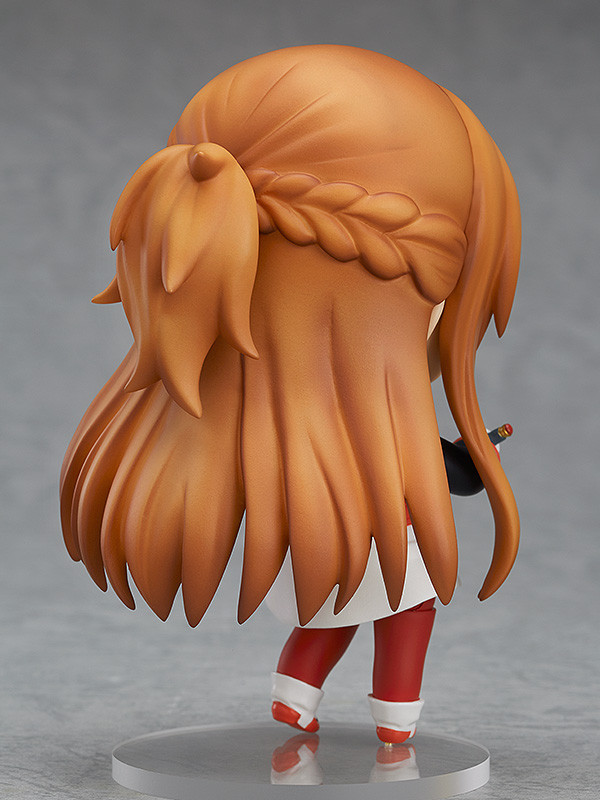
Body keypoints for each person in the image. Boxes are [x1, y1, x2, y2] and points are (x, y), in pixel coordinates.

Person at [60, 45, 520, 743]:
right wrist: (480, 456)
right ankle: (396, 716)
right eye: (444, 298)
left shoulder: (261, 454)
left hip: (311, 548)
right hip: (376, 544)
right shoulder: (375, 444)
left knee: (326, 616)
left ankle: (294, 693)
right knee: (406, 612)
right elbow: (450, 474)